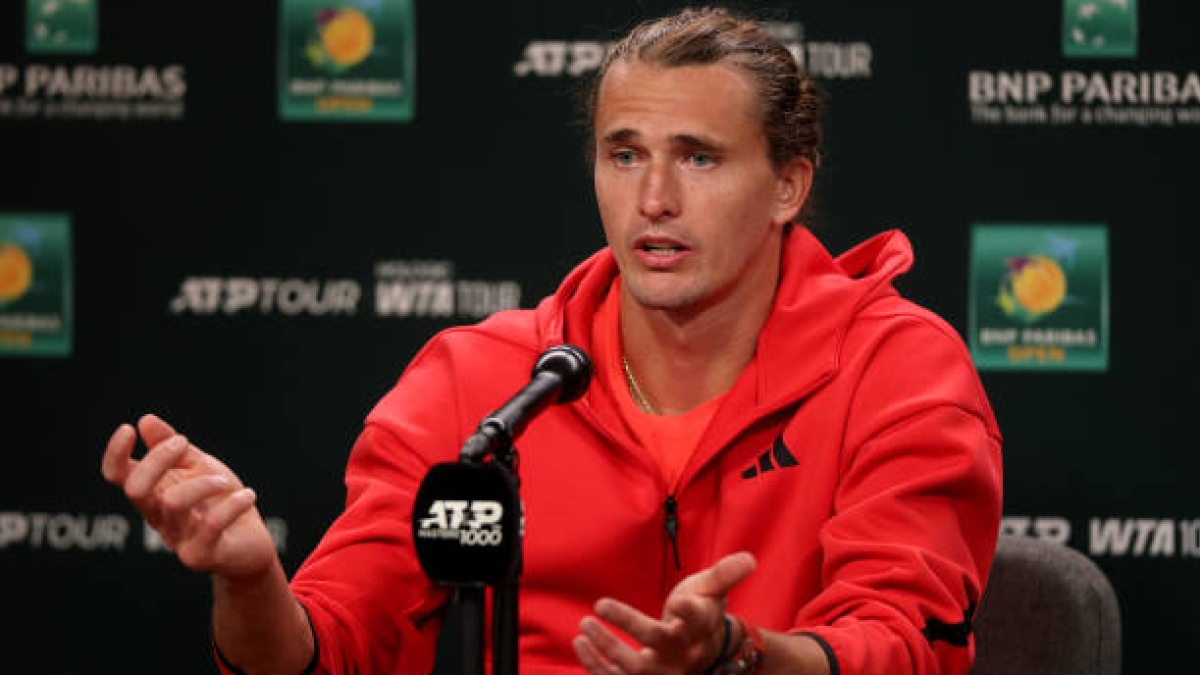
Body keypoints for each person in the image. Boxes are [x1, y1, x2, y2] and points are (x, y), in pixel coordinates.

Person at [101, 7, 1002, 675]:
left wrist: (737, 655)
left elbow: (902, 643)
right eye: (623, 153)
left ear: (787, 186)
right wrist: (252, 581)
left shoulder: (899, 371)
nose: (653, 198)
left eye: (698, 157)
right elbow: (330, 650)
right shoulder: (483, 381)